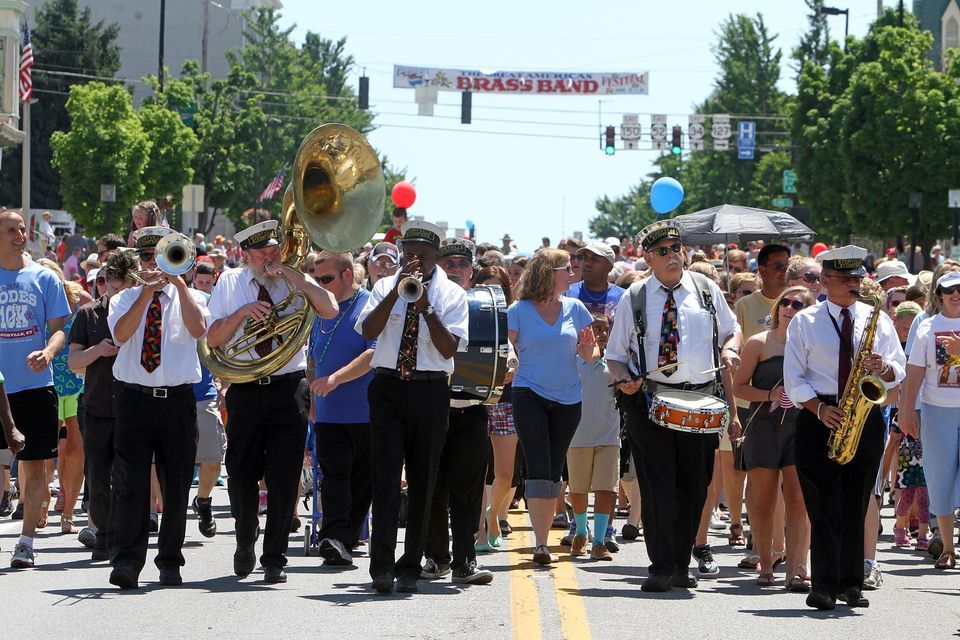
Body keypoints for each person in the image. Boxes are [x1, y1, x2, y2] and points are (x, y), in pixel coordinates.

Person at [605, 220, 741, 592]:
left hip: (701, 399)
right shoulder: (634, 296)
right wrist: (624, 380)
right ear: (648, 257)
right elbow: (615, 356)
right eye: (662, 251)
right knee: (657, 485)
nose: (671, 256)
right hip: (650, 401)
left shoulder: (707, 289)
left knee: (695, 487)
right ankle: (661, 566)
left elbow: (731, 330)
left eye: (675, 249)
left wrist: (730, 349)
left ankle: (682, 562)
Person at [206, 220, 337, 585]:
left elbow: (329, 309)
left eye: (273, 249)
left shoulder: (293, 278)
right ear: (245, 255)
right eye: (261, 252)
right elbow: (213, 339)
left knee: (284, 475)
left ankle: (275, 556)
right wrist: (242, 314)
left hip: (288, 387)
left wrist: (293, 276)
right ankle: (246, 537)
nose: (270, 257)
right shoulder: (230, 283)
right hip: (246, 387)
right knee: (241, 472)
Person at [783, 245, 905, 610]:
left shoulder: (876, 319)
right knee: (824, 504)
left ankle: (852, 583)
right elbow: (794, 376)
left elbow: (897, 367)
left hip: (863, 416)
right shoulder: (805, 321)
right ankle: (823, 584)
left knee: (855, 501)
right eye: (846, 279)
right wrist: (819, 409)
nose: (854, 285)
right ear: (824, 282)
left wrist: (882, 367)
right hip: (818, 414)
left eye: (857, 278)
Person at [358, 220, 468, 594]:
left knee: (424, 480)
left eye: (422, 255)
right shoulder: (383, 286)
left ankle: (410, 566)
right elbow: (368, 332)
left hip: (430, 390)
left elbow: (449, 349)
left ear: (437, 255)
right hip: (388, 386)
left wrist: (425, 307)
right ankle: (381, 568)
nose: (414, 261)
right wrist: (396, 294)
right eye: (408, 255)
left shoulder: (452, 294)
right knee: (386, 478)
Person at [106, 226, 211, 589]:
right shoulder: (124, 298)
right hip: (134, 398)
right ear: (139, 261)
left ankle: (170, 561)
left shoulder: (193, 296)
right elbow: (120, 335)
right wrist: (145, 295)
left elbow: (199, 331)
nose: (155, 264)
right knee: (130, 485)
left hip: (177, 401)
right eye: (148, 257)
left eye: (163, 256)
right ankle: (127, 561)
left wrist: (179, 286)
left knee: (177, 483)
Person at [508, 248, 598, 566]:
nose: (572, 275)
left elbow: (591, 352)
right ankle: (541, 544)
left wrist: (589, 352)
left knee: (556, 467)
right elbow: (508, 345)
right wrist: (510, 356)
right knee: (538, 465)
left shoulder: (576, 308)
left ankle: (543, 537)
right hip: (528, 393)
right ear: (549, 273)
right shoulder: (519, 309)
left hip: (568, 398)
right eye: (566, 269)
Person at [0, 210, 71, 568]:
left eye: (21, 229)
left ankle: (26, 541)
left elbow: (58, 328)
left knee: (37, 466)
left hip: (34, 386)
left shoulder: (45, 278)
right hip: (0, 388)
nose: (19, 235)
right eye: (11, 230)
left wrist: (49, 350)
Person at [422, 237, 495, 585]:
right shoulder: (425, 299)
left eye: (461, 265)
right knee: (431, 488)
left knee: (467, 490)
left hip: (470, 410)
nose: (454, 270)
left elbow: (502, 350)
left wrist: (508, 364)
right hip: (430, 407)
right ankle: (437, 558)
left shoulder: (485, 304)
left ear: (472, 271)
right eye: (447, 264)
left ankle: (465, 560)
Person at [733, 286, 814, 590]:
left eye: (798, 304)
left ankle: (796, 569)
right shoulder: (758, 343)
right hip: (764, 427)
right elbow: (739, 386)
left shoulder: (811, 345)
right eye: (785, 302)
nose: (789, 308)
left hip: (801, 427)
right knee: (762, 500)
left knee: (799, 501)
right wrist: (769, 393)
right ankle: (766, 563)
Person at [307, 251, 375, 567]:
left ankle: (344, 538)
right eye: (316, 279)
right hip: (329, 412)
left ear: (347, 275)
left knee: (362, 480)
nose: (320, 285)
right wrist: (312, 394)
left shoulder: (369, 304)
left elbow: (373, 353)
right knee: (334, 477)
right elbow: (311, 358)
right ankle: (332, 538)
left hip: (366, 411)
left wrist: (335, 378)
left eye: (326, 279)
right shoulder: (320, 309)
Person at [67, 251, 135, 559]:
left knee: (127, 475)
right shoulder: (88, 314)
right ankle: (104, 535)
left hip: (132, 405)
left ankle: (124, 536)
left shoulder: (140, 311)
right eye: (113, 286)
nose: (117, 293)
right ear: (104, 283)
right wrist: (98, 350)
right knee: (97, 475)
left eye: (124, 288)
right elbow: (74, 361)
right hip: (96, 406)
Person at [898, 270, 960, 571]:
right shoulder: (927, 328)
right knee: (940, 480)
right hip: (936, 411)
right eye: (950, 290)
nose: (956, 294)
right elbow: (914, 374)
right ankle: (947, 548)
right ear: (939, 294)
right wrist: (907, 411)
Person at [36, 259, 93, 535]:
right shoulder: (33, 299)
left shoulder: (78, 297)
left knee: (74, 449)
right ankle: (42, 500)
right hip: (44, 382)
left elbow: (96, 323)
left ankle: (68, 511)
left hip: (77, 381)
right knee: (44, 453)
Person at [566, 313, 620, 561]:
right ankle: (580, 531)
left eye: (605, 329)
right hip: (576, 435)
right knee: (577, 489)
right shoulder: (569, 361)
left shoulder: (615, 363)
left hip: (608, 436)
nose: (601, 334)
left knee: (605, 489)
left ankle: (599, 540)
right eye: (595, 328)